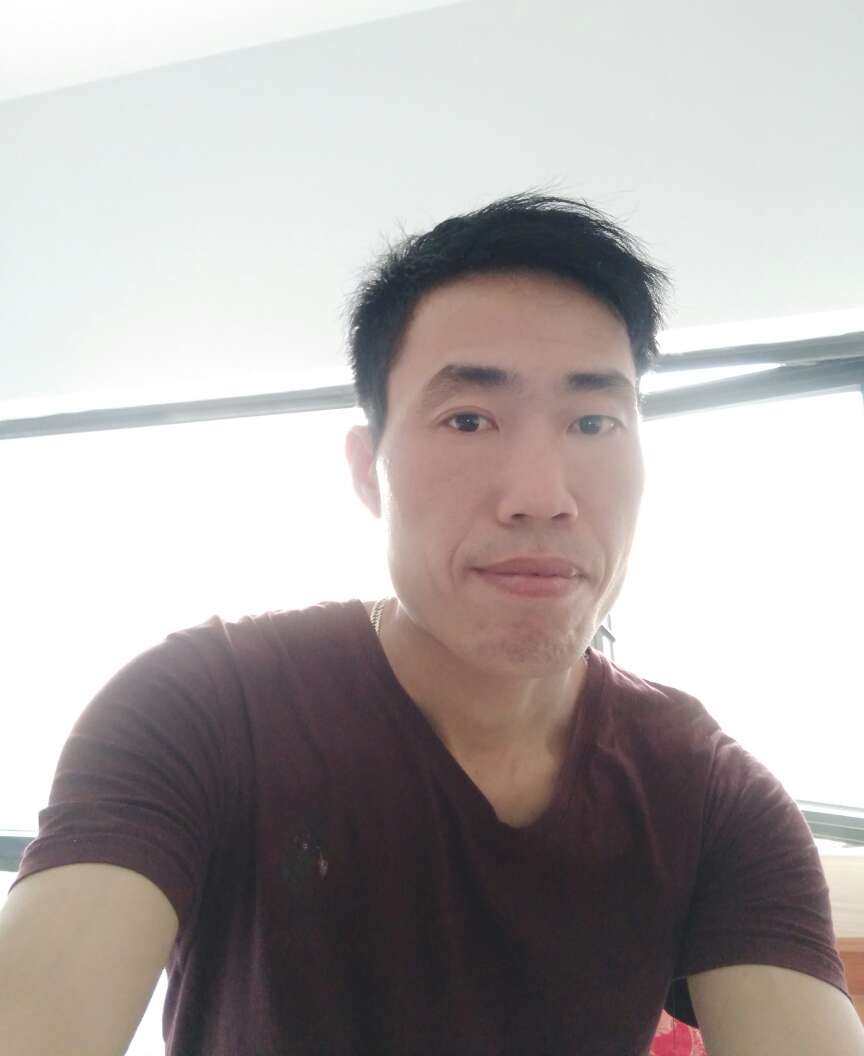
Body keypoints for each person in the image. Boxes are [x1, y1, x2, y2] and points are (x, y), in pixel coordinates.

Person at [1, 193, 861, 1056]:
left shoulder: (710, 796)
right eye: (468, 419)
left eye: (594, 421)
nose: (542, 497)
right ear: (366, 473)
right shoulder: (204, 707)